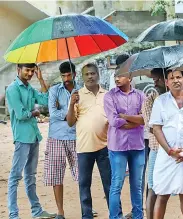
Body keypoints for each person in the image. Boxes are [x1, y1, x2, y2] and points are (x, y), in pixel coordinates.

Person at [149, 70, 183, 219]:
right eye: (171, 78)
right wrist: (170, 151)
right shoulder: (160, 101)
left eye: (178, 77)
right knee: (162, 194)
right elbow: (156, 128)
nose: (176, 80)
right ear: (166, 82)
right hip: (167, 156)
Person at [6, 63, 55, 219]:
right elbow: (21, 114)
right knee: (15, 176)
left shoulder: (30, 88)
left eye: (32, 71)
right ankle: (13, 215)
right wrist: (34, 112)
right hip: (22, 137)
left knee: (30, 175)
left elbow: (46, 100)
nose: (30, 73)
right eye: (27, 70)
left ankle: (37, 211)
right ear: (18, 70)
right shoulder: (12, 89)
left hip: (33, 136)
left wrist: (41, 80)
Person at [66, 63, 111, 219]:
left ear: (98, 74)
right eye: (86, 74)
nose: (90, 76)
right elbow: (70, 122)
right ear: (82, 77)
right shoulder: (77, 95)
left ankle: (114, 213)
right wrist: (71, 104)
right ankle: (86, 214)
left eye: (92, 73)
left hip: (105, 146)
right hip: (84, 147)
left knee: (109, 183)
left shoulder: (107, 94)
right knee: (84, 184)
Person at [104, 70, 146, 219]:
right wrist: (135, 121)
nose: (117, 78)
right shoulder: (109, 96)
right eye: (115, 76)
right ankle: (114, 217)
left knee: (137, 185)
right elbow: (114, 121)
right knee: (116, 184)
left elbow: (145, 118)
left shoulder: (140, 95)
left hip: (137, 146)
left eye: (120, 75)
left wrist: (125, 117)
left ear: (130, 77)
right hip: (117, 147)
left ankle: (138, 215)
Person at [44, 62, 79, 219]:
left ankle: (86, 207)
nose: (66, 78)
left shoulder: (82, 91)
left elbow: (84, 112)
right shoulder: (54, 90)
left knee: (82, 175)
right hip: (56, 137)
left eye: (69, 75)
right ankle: (60, 212)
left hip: (77, 136)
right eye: (63, 75)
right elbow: (52, 113)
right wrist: (70, 113)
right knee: (56, 175)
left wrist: (64, 112)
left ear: (75, 74)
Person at [143, 68, 168, 219]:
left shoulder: (175, 99)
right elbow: (151, 127)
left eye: (158, 79)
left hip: (173, 150)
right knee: (152, 188)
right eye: (154, 80)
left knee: (178, 190)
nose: (155, 83)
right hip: (157, 149)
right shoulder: (150, 100)